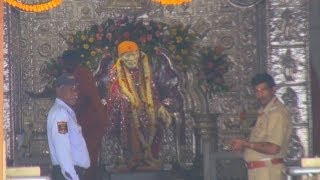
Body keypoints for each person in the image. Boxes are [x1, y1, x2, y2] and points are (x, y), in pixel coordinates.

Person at [105, 41, 172, 170]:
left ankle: (148, 158)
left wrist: (159, 106)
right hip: (126, 110)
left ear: (138, 54)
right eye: (127, 56)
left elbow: (152, 92)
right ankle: (132, 159)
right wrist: (129, 100)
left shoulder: (144, 69)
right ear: (120, 58)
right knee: (131, 115)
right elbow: (114, 93)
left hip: (146, 109)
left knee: (154, 118)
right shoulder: (116, 71)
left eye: (133, 55)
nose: (131, 59)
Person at [231, 73, 292, 180]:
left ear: (273, 89)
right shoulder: (264, 112)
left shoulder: (277, 113)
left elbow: (273, 148)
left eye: (263, 90)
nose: (260, 95)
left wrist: (246, 144)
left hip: (268, 171)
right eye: (256, 91)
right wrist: (244, 146)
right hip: (259, 171)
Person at [61, 50, 107, 180]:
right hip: (89, 120)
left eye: (64, 63)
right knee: (88, 152)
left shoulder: (81, 73)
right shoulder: (79, 73)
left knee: (89, 153)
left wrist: (74, 110)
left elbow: (86, 97)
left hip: (91, 120)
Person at [47, 73, 90, 180]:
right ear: (59, 89)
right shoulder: (60, 114)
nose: (76, 93)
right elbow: (62, 148)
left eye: (76, 89)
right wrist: (72, 177)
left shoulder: (66, 112)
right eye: (71, 89)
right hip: (68, 175)